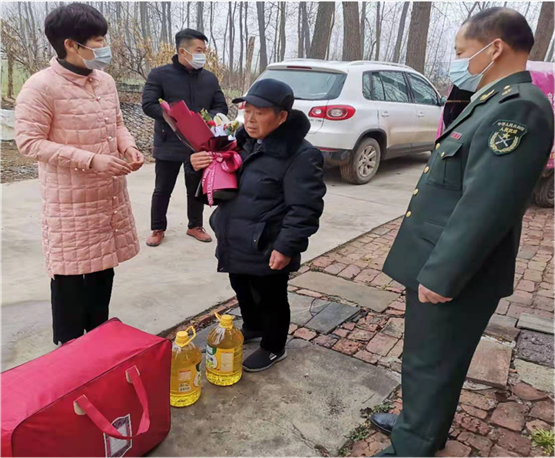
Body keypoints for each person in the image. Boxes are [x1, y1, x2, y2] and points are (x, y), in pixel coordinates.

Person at [370, 7, 555, 457]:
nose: (456, 62)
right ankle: (420, 425)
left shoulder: (520, 110)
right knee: (426, 357)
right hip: (439, 257)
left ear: (494, 48)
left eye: (460, 52)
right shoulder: (491, 100)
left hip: (455, 269)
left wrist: (443, 274)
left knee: (432, 363)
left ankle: (412, 447)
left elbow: (487, 204)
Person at [15, 3, 143, 345]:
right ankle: (70, 348)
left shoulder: (105, 82)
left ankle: (98, 338)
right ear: (71, 44)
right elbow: (28, 142)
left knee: (103, 268)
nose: (105, 47)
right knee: (70, 275)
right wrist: (91, 160)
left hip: (108, 197)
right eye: (98, 40)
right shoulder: (40, 87)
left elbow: (116, 123)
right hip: (70, 203)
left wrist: (128, 147)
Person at [191, 79, 326, 372]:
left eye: (260, 113)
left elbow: (305, 208)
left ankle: (274, 345)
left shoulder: (301, 156)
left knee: (271, 297)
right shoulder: (243, 143)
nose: (250, 119)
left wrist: (286, 246)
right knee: (240, 285)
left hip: (267, 242)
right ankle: (253, 327)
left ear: (281, 116)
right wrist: (200, 162)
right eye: (247, 111)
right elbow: (219, 173)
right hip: (235, 236)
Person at [142, 29, 228, 247]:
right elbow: (148, 104)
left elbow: (220, 105)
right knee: (163, 189)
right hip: (169, 142)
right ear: (183, 51)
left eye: (204, 51)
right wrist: (169, 115)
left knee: (196, 188)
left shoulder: (209, 78)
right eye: (198, 50)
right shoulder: (160, 75)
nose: (203, 55)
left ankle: (195, 225)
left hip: (199, 144)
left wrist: (212, 119)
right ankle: (158, 228)